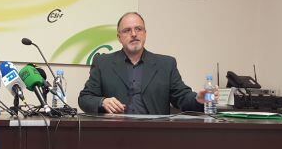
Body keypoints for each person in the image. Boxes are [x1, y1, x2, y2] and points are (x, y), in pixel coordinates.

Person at [78, 12, 212, 115]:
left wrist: (198, 99)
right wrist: (102, 102)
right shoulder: (103, 63)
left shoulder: (166, 64)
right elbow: (85, 98)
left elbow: (182, 97)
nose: (134, 34)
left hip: (155, 136)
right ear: (119, 37)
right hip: (115, 134)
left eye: (138, 29)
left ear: (145, 34)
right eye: (127, 30)